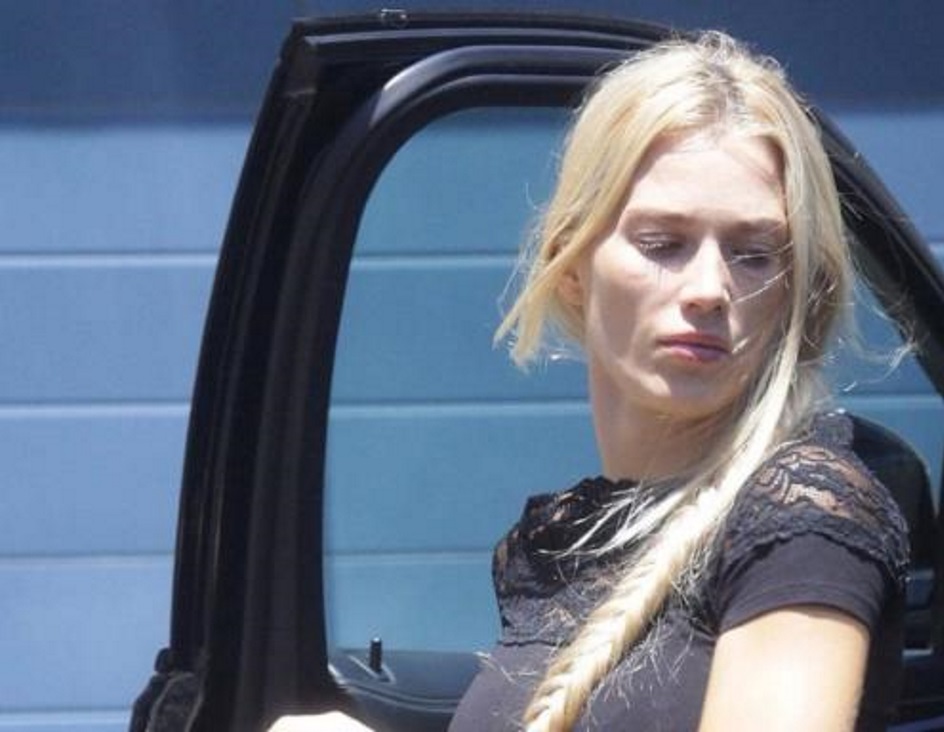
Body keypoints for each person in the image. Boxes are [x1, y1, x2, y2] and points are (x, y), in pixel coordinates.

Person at [271, 29, 908, 732]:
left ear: (796, 292)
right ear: (573, 267)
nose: (709, 288)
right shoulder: (564, 545)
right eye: (663, 244)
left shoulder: (801, 515)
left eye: (754, 254)